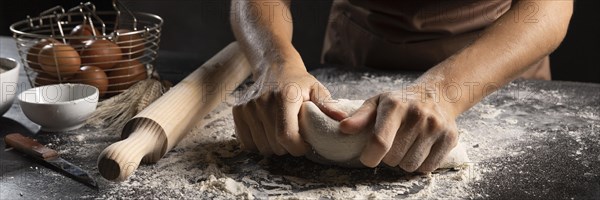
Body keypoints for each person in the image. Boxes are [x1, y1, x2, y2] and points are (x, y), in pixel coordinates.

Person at [230, 0, 573, 172]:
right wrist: (276, 62)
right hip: (357, 56)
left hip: (496, 69)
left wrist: (442, 91)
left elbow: (549, 8)